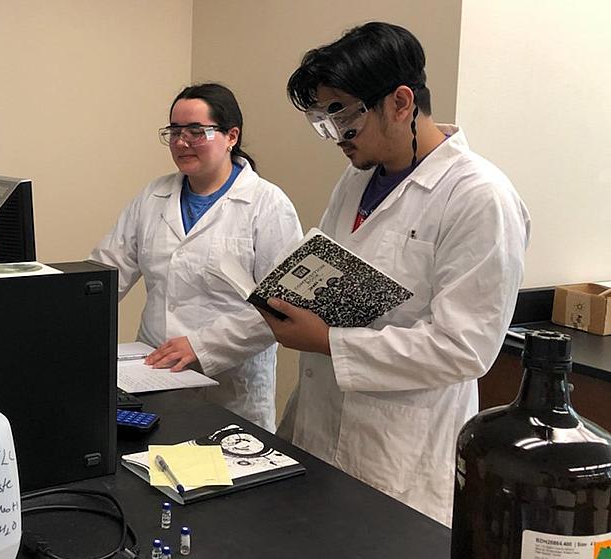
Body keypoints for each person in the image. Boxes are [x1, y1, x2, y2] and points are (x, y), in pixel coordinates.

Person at [265, 22, 531, 525]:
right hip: (319, 426)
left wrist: (327, 340)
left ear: (401, 102)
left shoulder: (478, 197)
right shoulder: (357, 179)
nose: (336, 138)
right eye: (325, 120)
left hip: (399, 452)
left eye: (344, 118)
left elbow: (463, 348)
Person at [91, 83, 302, 431]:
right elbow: (106, 269)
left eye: (196, 131)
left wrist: (202, 345)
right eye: (174, 131)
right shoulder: (154, 196)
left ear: (231, 136)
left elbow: (280, 305)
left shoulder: (267, 204)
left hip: (230, 388)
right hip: (153, 373)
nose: (181, 142)